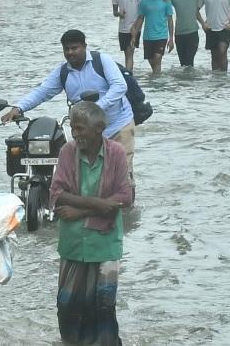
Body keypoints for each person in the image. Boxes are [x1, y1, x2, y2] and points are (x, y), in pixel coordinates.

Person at [49, 102, 133, 346]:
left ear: (99, 129)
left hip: (104, 242)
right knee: (68, 304)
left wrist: (79, 210)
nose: (75, 134)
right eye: (73, 128)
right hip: (73, 243)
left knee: (104, 307)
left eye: (81, 129)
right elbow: (56, 193)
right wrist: (98, 205)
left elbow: (124, 198)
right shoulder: (67, 151)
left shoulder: (116, 152)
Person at [1, 30, 137, 173]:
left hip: (118, 125)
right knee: (87, 175)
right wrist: (19, 108)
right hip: (87, 131)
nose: (70, 52)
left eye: (74, 48)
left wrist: (96, 108)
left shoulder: (102, 61)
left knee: (122, 174)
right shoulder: (63, 72)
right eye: (67, 49)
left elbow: (120, 86)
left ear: (84, 46)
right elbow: (42, 91)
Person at [130, 0, 175, 75]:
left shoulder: (166, 1)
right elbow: (141, 19)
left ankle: (156, 82)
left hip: (161, 36)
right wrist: (134, 36)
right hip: (148, 37)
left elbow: (170, 20)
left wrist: (171, 38)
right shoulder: (144, 2)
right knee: (151, 60)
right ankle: (156, 79)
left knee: (157, 58)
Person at [112, 0, 143, 72]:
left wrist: (136, 28)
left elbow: (141, 12)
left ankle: (129, 75)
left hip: (134, 28)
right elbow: (115, 12)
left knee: (130, 53)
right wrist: (119, 14)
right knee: (127, 53)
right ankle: (129, 74)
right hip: (122, 28)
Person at [169, 0, 202, 67]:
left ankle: (190, 81)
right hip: (179, 34)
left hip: (192, 33)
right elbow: (161, 5)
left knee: (188, 62)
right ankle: (183, 81)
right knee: (183, 64)